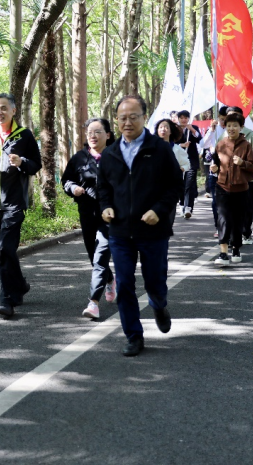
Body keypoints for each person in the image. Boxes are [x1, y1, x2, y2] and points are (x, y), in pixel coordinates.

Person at [98, 95, 183, 357]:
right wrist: (105, 207)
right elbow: (103, 189)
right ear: (116, 120)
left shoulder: (160, 149)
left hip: (152, 231)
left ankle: (159, 304)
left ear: (144, 118)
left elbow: (175, 186)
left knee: (155, 282)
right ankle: (133, 336)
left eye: (133, 117)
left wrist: (159, 211)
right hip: (120, 231)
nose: (127, 122)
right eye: (122, 117)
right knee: (124, 284)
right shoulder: (110, 153)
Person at [0, 93, 42, 318]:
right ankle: (20, 285)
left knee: (3, 248)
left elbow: (36, 165)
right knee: (7, 250)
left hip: (15, 202)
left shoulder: (24, 135)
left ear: (13, 111)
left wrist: (22, 162)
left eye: (3, 108)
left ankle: (6, 299)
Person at [61, 118, 117, 319]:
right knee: (93, 255)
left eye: (98, 132)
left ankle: (93, 303)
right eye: (90, 132)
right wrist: (72, 188)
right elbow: (66, 180)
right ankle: (110, 280)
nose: (92, 136)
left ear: (108, 135)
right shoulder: (79, 158)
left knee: (101, 255)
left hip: (110, 215)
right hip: (87, 212)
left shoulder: (117, 156)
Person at [211, 112, 253, 266]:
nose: (231, 128)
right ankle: (223, 253)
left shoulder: (246, 145)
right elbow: (215, 162)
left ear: (241, 127)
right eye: (229, 125)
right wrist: (214, 168)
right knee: (223, 218)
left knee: (238, 220)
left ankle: (236, 248)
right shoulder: (221, 144)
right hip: (222, 186)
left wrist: (242, 163)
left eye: (235, 126)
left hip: (241, 188)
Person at [227, 106, 253, 245]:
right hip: (228, 179)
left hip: (246, 179)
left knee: (246, 208)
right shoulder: (224, 136)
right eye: (230, 117)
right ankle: (231, 236)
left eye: (236, 116)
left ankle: (246, 232)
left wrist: (243, 163)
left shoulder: (252, 136)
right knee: (228, 209)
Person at [202, 106, 229, 236]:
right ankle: (218, 227)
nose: (223, 122)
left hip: (230, 172)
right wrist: (211, 131)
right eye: (221, 119)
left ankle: (229, 226)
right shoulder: (214, 129)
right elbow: (204, 144)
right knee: (215, 201)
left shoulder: (233, 130)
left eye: (226, 119)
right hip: (215, 171)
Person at [177, 110, 203, 219]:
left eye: (186, 117)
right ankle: (182, 203)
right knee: (181, 184)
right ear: (178, 119)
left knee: (189, 184)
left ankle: (188, 207)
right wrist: (182, 145)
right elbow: (170, 143)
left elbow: (200, 140)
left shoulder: (193, 129)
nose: (184, 120)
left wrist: (191, 129)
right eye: (181, 118)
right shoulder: (175, 129)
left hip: (191, 161)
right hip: (179, 161)